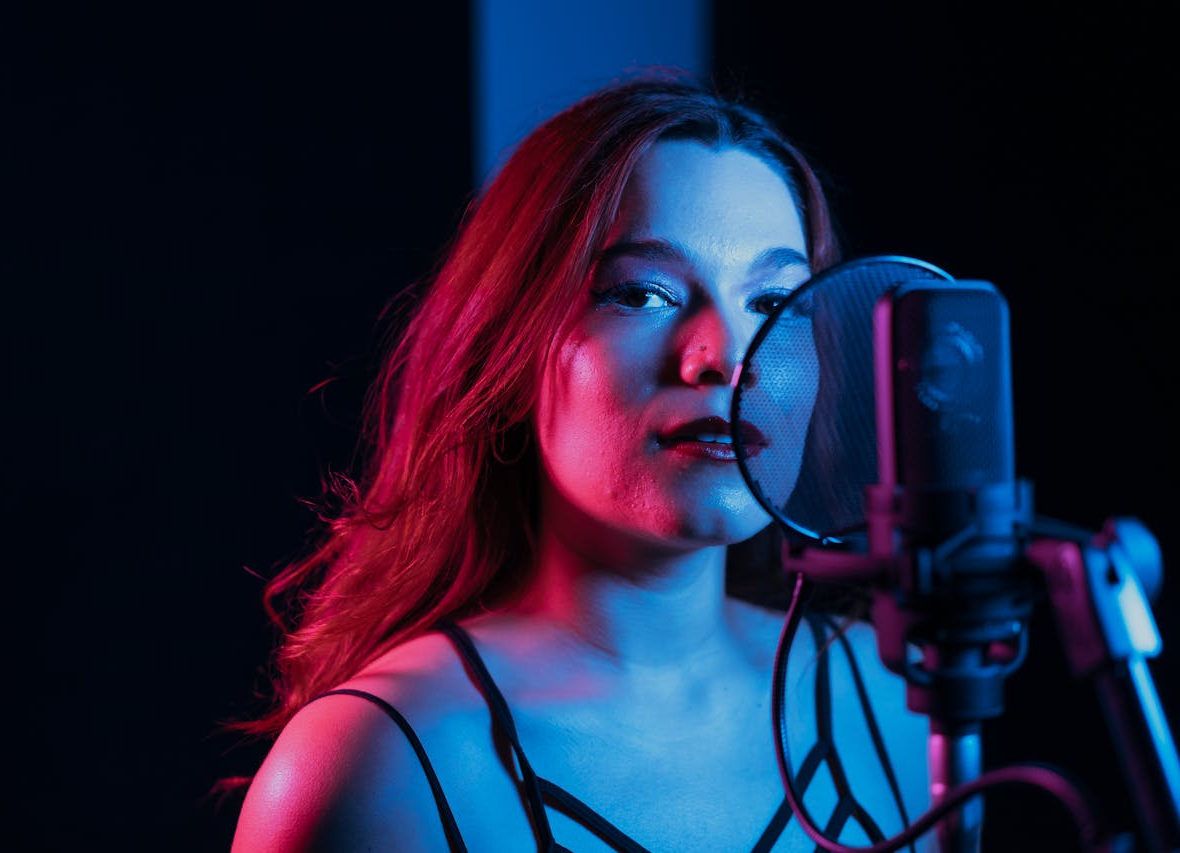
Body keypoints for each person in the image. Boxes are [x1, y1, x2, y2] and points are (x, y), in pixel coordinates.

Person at [230, 72, 931, 853]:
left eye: (773, 304)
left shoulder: (892, 698)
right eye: (644, 294)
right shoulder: (380, 761)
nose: (728, 358)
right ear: (513, 344)